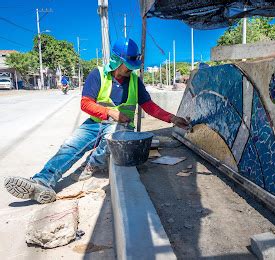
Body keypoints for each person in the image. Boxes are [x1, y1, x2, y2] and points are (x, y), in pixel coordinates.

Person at [4, 38, 189, 204]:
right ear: (117, 61)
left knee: (111, 139)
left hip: (123, 128)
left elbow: (149, 106)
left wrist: (171, 118)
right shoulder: (98, 74)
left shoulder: (135, 81)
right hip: (94, 124)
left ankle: (91, 165)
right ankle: (41, 181)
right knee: (69, 147)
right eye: (128, 65)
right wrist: (110, 112)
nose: (131, 69)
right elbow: (85, 104)